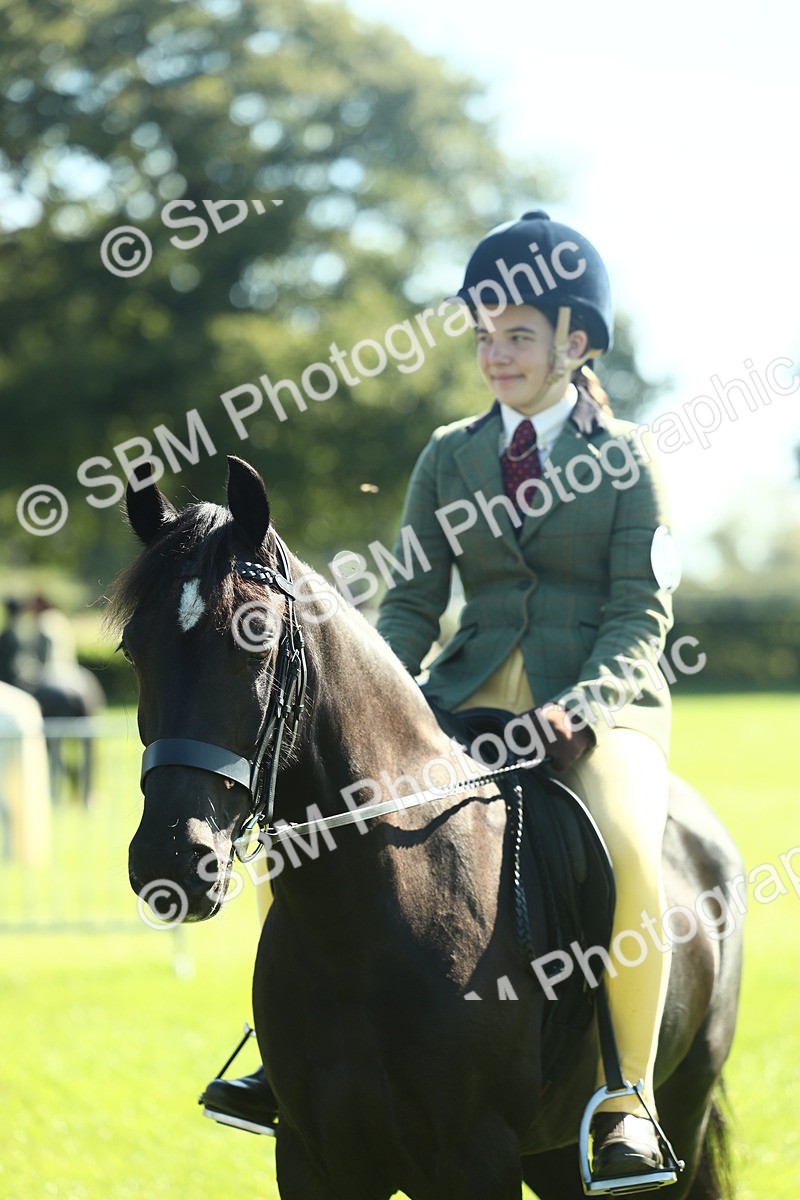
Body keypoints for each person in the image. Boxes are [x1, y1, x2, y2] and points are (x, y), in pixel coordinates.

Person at [202, 211, 679, 1184]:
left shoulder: (629, 456)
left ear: (573, 343)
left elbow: (639, 612)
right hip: (461, 697)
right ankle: (281, 1056)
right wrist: (386, 704)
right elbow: (414, 601)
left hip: (596, 705)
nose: (494, 354)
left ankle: (626, 1100)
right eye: (483, 335)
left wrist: (580, 708)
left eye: (517, 336)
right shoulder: (446, 453)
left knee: (627, 849)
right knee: (313, 827)